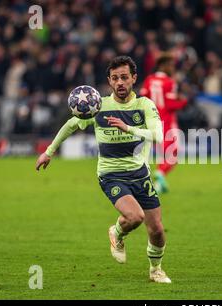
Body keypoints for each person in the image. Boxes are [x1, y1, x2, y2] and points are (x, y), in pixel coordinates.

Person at [35, 56, 171, 283]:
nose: (120, 82)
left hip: (140, 174)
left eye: (124, 77)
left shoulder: (145, 105)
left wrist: (128, 128)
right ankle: (117, 232)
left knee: (157, 229)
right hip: (111, 175)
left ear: (134, 78)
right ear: (109, 80)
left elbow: (158, 136)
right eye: (115, 78)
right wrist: (49, 151)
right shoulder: (99, 106)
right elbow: (71, 125)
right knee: (135, 217)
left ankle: (155, 270)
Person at [140, 53, 187, 193]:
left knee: (163, 155)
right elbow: (171, 104)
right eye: (171, 65)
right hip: (167, 122)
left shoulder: (149, 79)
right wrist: (183, 101)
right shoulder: (169, 82)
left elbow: (142, 99)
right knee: (173, 154)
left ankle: (159, 186)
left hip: (152, 122)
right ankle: (160, 173)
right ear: (163, 65)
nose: (173, 68)